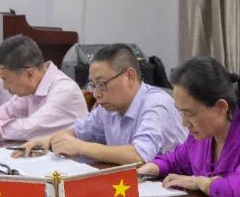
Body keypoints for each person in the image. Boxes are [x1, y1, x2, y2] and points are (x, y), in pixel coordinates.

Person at [138, 56, 240, 197]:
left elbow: (239, 190)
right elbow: (174, 160)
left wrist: (199, 182)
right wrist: (149, 169)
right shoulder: (201, 137)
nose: (184, 123)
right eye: (181, 112)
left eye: (190, 113)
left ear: (221, 107)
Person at [20, 44, 185, 163]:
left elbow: (140, 156)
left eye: (101, 84)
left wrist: (81, 148)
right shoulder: (108, 108)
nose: (96, 94)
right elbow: (79, 131)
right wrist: (48, 140)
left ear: (130, 76)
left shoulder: (156, 104)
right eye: (93, 85)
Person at [0, 35, 87, 141]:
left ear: (30, 74)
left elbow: (29, 128)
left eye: (6, 79)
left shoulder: (64, 91)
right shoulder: (32, 87)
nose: (4, 87)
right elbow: (9, 110)